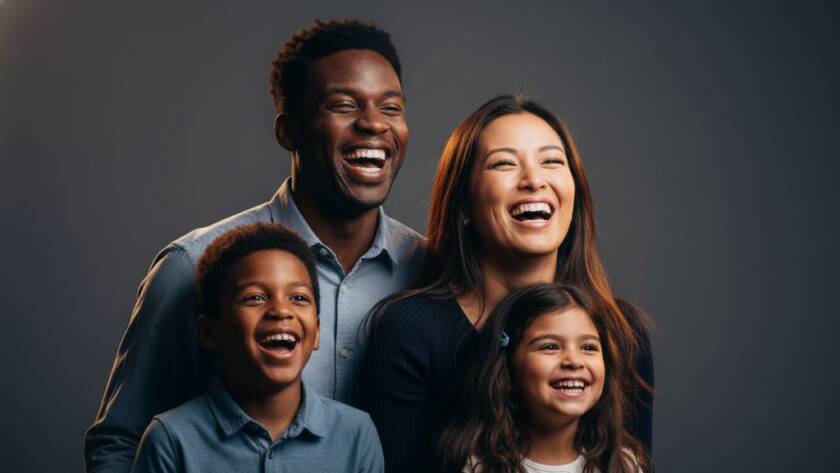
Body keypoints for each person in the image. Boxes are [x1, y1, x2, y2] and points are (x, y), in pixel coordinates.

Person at [86, 19, 424, 473]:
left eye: (392, 107)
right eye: (343, 105)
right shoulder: (194, 265)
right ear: (288, 131)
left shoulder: (431, 269)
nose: (373, 124)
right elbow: (120, 443)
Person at [360, 95, 653, 472]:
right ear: (462, 205)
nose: (533, 180)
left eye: (551, 161)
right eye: (504, 164)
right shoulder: (412, 330)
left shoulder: (622, 334)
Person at [131, 223, 384, 473]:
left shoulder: (356, 435)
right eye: (255, 298)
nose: (281, 311)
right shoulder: (171, 441)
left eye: (298, 298)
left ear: (317, 332)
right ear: (209, 333)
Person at [434, 283, 649, 473]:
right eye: (550, 346)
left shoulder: (623, 464)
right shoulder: (477, 466)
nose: (574, 361)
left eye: (588, 347)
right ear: (508, 365)